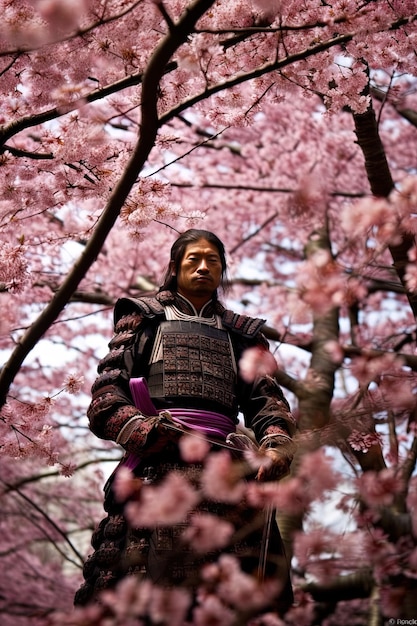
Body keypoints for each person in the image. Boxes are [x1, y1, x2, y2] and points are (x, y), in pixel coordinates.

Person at [74, 229, 296, 617]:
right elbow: (106, 396)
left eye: (213, 260)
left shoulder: (242, 334)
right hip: (158, 467)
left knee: (235, 597)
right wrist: (143, 429)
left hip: (229, 474)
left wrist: (276, 444)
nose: (203, 267)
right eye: (194, 259)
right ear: (175, 267)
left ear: (222, 270)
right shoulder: (143, 318)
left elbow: (268, 403)